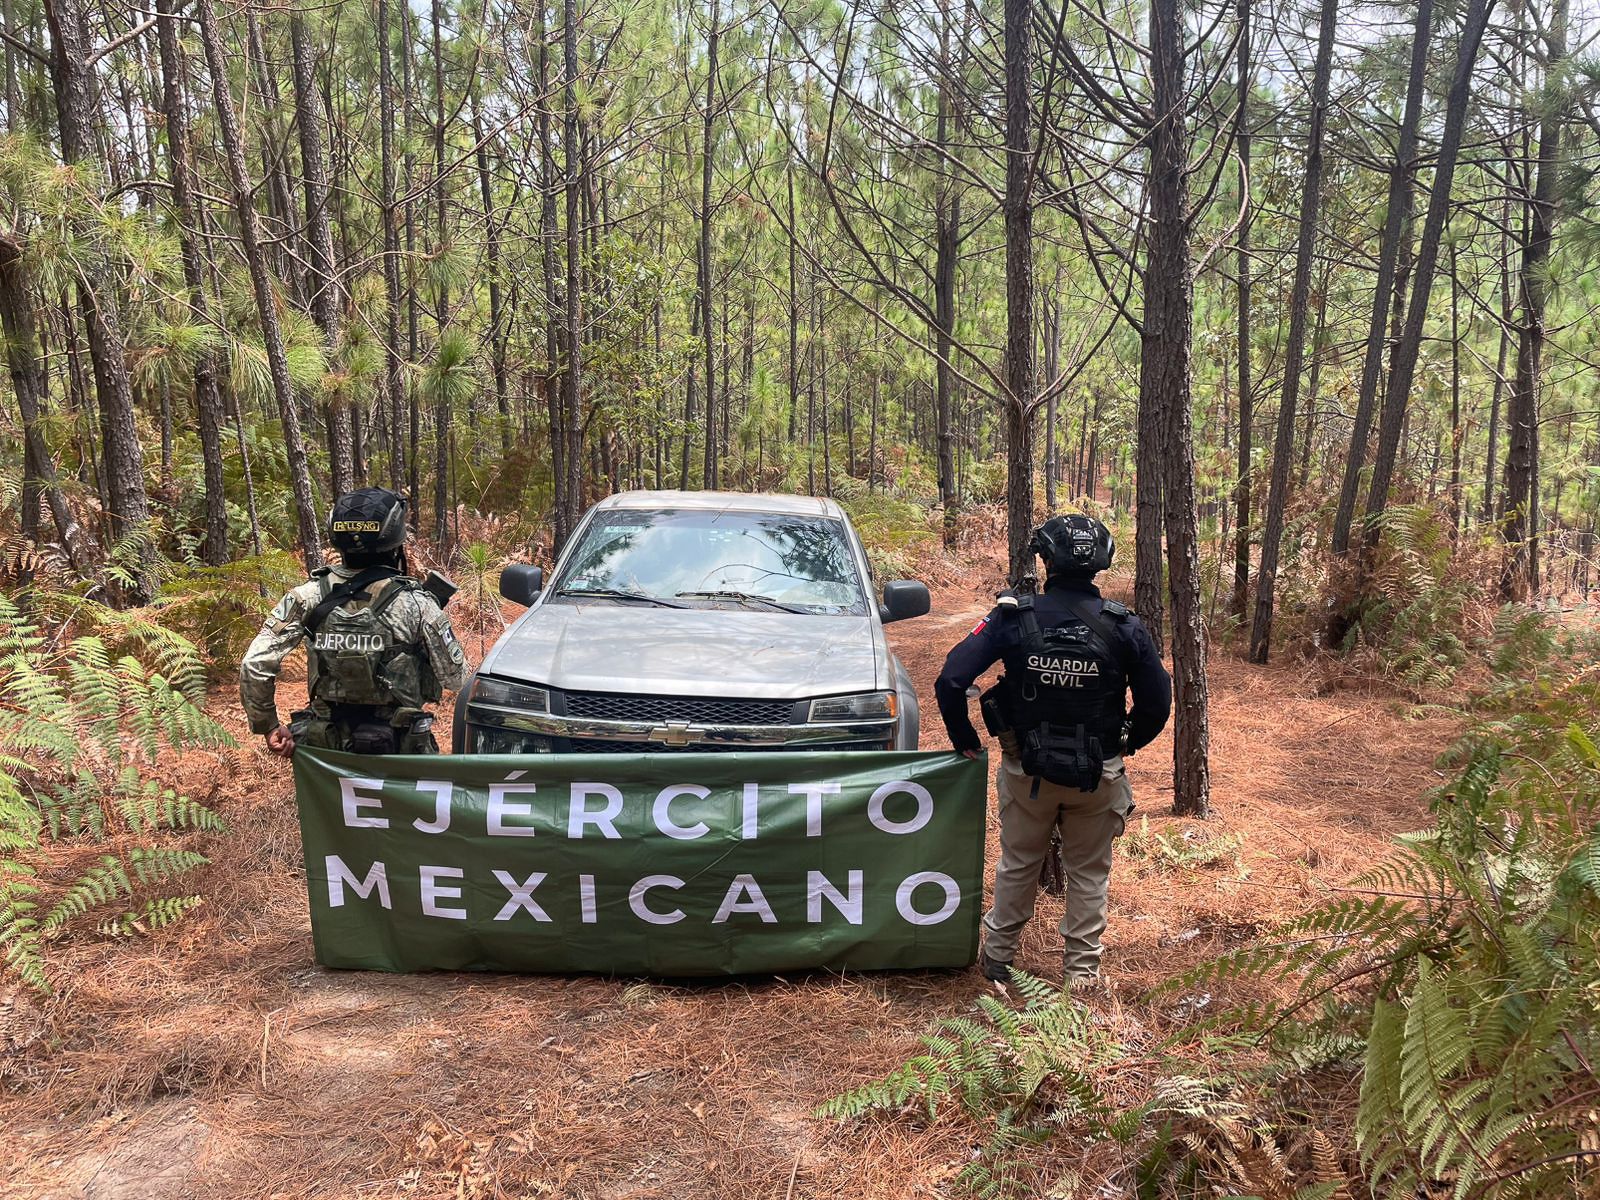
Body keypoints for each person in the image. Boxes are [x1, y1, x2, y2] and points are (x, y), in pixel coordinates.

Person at [935, 514, 1171, 990]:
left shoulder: (1012, 616)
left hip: (1027, 773)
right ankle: (1080, 979)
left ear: (1046, 558)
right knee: (1088, 874)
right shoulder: (1125, 627)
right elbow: (1159, 700)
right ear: (1101, 562)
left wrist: (965, 741)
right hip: (1098, 774)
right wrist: (1127, 744)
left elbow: (951, 680)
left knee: (1018, 863)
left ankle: (997, 959)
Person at [240, 488, 469, 757]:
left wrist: (269, 725)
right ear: (395, 542)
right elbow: (456, 679)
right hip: (400, 753)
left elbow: (254, 664)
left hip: (327, 752)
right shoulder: (417, 604)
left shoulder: (306, 597)